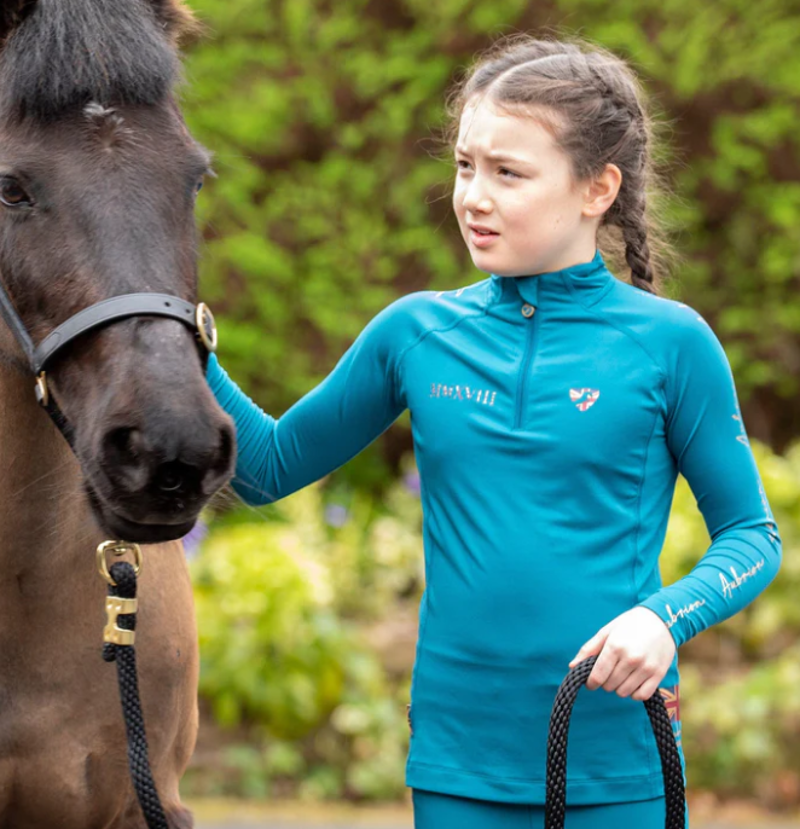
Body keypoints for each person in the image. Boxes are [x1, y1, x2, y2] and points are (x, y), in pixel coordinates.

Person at [204, 33, 781, 829]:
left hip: (620, 762)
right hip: (456, 765)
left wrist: (664, 616)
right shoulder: (415, 333)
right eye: (466, 165)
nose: (474, 195)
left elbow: (751, 536)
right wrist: (176, 328)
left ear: (596, 189)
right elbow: (264, 466)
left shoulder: (671, 343)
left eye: (508, 173)